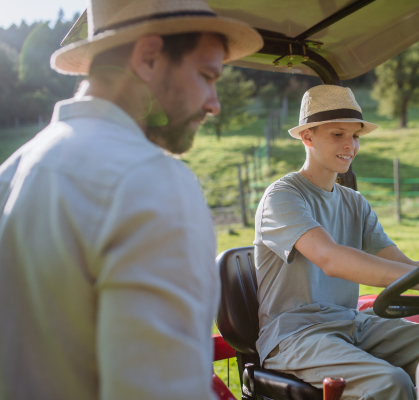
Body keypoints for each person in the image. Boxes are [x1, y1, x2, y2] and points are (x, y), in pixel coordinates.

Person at [0, 1, 262, 399]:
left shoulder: (13, 172)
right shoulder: (152, 181)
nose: (214, 103)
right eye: (207, 76)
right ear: (149, 56)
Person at [253, 85, 419, 400]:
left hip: (351, 322)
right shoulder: (284, 196)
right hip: (295, 335)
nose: (350, 145)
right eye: (338, 135)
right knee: (389, 382)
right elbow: (331, 259)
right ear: (307, 137)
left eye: (355, 136)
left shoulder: (354, 202)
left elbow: (404, 265)